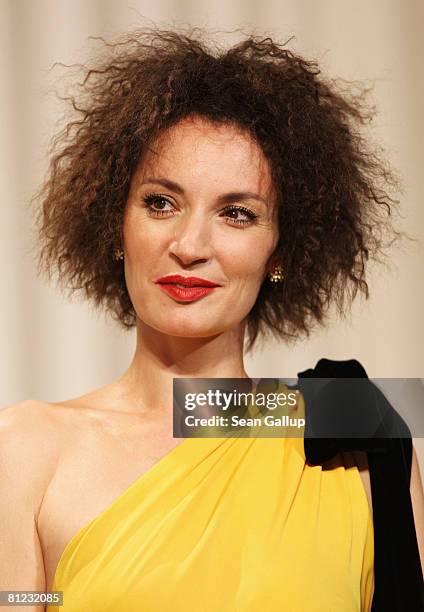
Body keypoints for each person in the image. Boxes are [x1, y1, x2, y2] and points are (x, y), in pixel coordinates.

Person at [1, 27, 423, 612]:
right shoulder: (26, 449)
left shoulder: (352, 433)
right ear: (115, 225)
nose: (190, 244)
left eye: (237, 213)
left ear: (279, 253)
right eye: (161, 203)